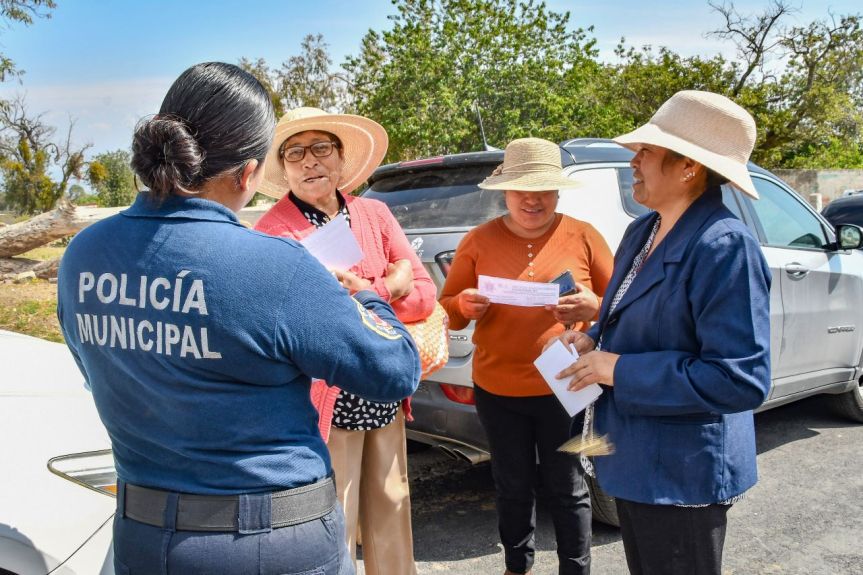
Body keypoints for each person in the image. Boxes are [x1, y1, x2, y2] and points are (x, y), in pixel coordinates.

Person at [56, 63, 421, 575]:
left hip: (144, 537)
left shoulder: (84, 255)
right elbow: (396, 368)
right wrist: (371, 296)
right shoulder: (274, 263)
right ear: (250, 173)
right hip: (271, 541)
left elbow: (94, 367)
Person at [553, 90, 772, 575]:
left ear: (689, 167)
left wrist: (619, 369)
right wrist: (595, 341)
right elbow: (641, 319)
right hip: (637, 458)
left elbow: (740, 379)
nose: (634, 159)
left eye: (648, 150)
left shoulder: (725, 246)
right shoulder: (644, 230)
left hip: (682, 473)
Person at [253, 107, 436, 575]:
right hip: (325, 404)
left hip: (383, 392)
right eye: (296, 153)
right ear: (285, 166)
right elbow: (296, 321)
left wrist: (371, 293)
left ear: (338, 158)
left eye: (320, 148)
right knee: (335, 519)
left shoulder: (373, 213)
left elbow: (424, 295)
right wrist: (386, 289)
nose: (309, 161)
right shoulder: (273, 232)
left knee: (392, 510)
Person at [438, 137, 614, 575]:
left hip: (566, 385)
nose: (532, 199)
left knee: (569, 487)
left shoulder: (585, 236)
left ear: (558, 191)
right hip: (497, 389)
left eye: (542, 189)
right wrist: (464, 305)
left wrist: (593, 309)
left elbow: (622, 307)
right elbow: (448, 312)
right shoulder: (478, 240)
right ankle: (517, 566)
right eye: (521, 189)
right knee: (512, 486)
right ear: (504, 191)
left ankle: (576, 568)